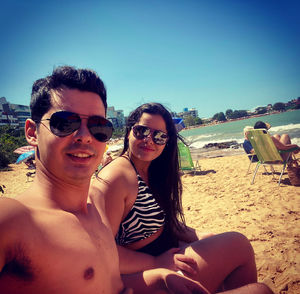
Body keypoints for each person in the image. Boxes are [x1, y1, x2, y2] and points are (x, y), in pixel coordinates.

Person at [0, 66, 211, 294]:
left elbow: (110, 285)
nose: (84, 136)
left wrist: (159, 276)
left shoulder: (95, 217)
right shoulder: (13, 220)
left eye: (98, 126)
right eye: (64, 123)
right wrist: (156, 264)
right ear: (32, 132)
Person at [90, 102, 273, 294]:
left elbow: (165, 223)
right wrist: (155, 263)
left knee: (237, 249)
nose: (149, 140)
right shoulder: (118, 176)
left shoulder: (150, 170)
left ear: (167, 142)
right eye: (142, 131)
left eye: (159, 136)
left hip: (164, 251)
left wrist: (197, 235)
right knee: (253, 277)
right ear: (130, 131)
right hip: (144, 267)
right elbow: (102, 252)